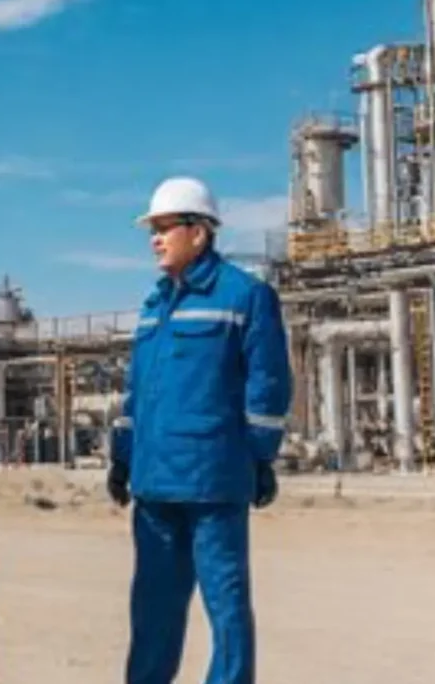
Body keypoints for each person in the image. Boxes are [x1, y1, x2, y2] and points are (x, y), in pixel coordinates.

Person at [108, 177, 292, 684]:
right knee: (151, 609)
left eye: (165, 227)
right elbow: (135, 393)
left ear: (199, 231)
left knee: (226, 606)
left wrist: (260, 457)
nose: (155, 238)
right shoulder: (153, 306)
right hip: (154, 482)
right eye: (152, 229)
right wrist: (122, 457)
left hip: (213, 482)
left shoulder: (245, 297)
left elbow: (268, 387)